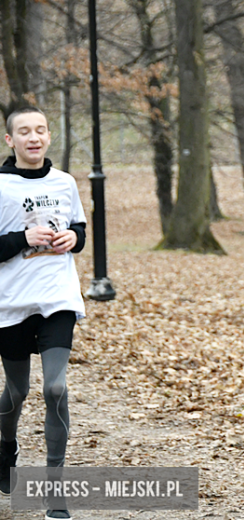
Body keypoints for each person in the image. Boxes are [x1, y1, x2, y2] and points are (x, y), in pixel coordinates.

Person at [0, 106, 87, 520]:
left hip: (57, 297)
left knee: (54, 388)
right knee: (16, 393)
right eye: (23, 131)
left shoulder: (65, 182)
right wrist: (22, 238)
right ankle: (6, 449)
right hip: (11, 303)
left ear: (48, 136)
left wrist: (74, 236)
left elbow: (80, 229)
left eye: (40, 130)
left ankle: (56, 487)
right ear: (10, 140)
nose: (33, 137)